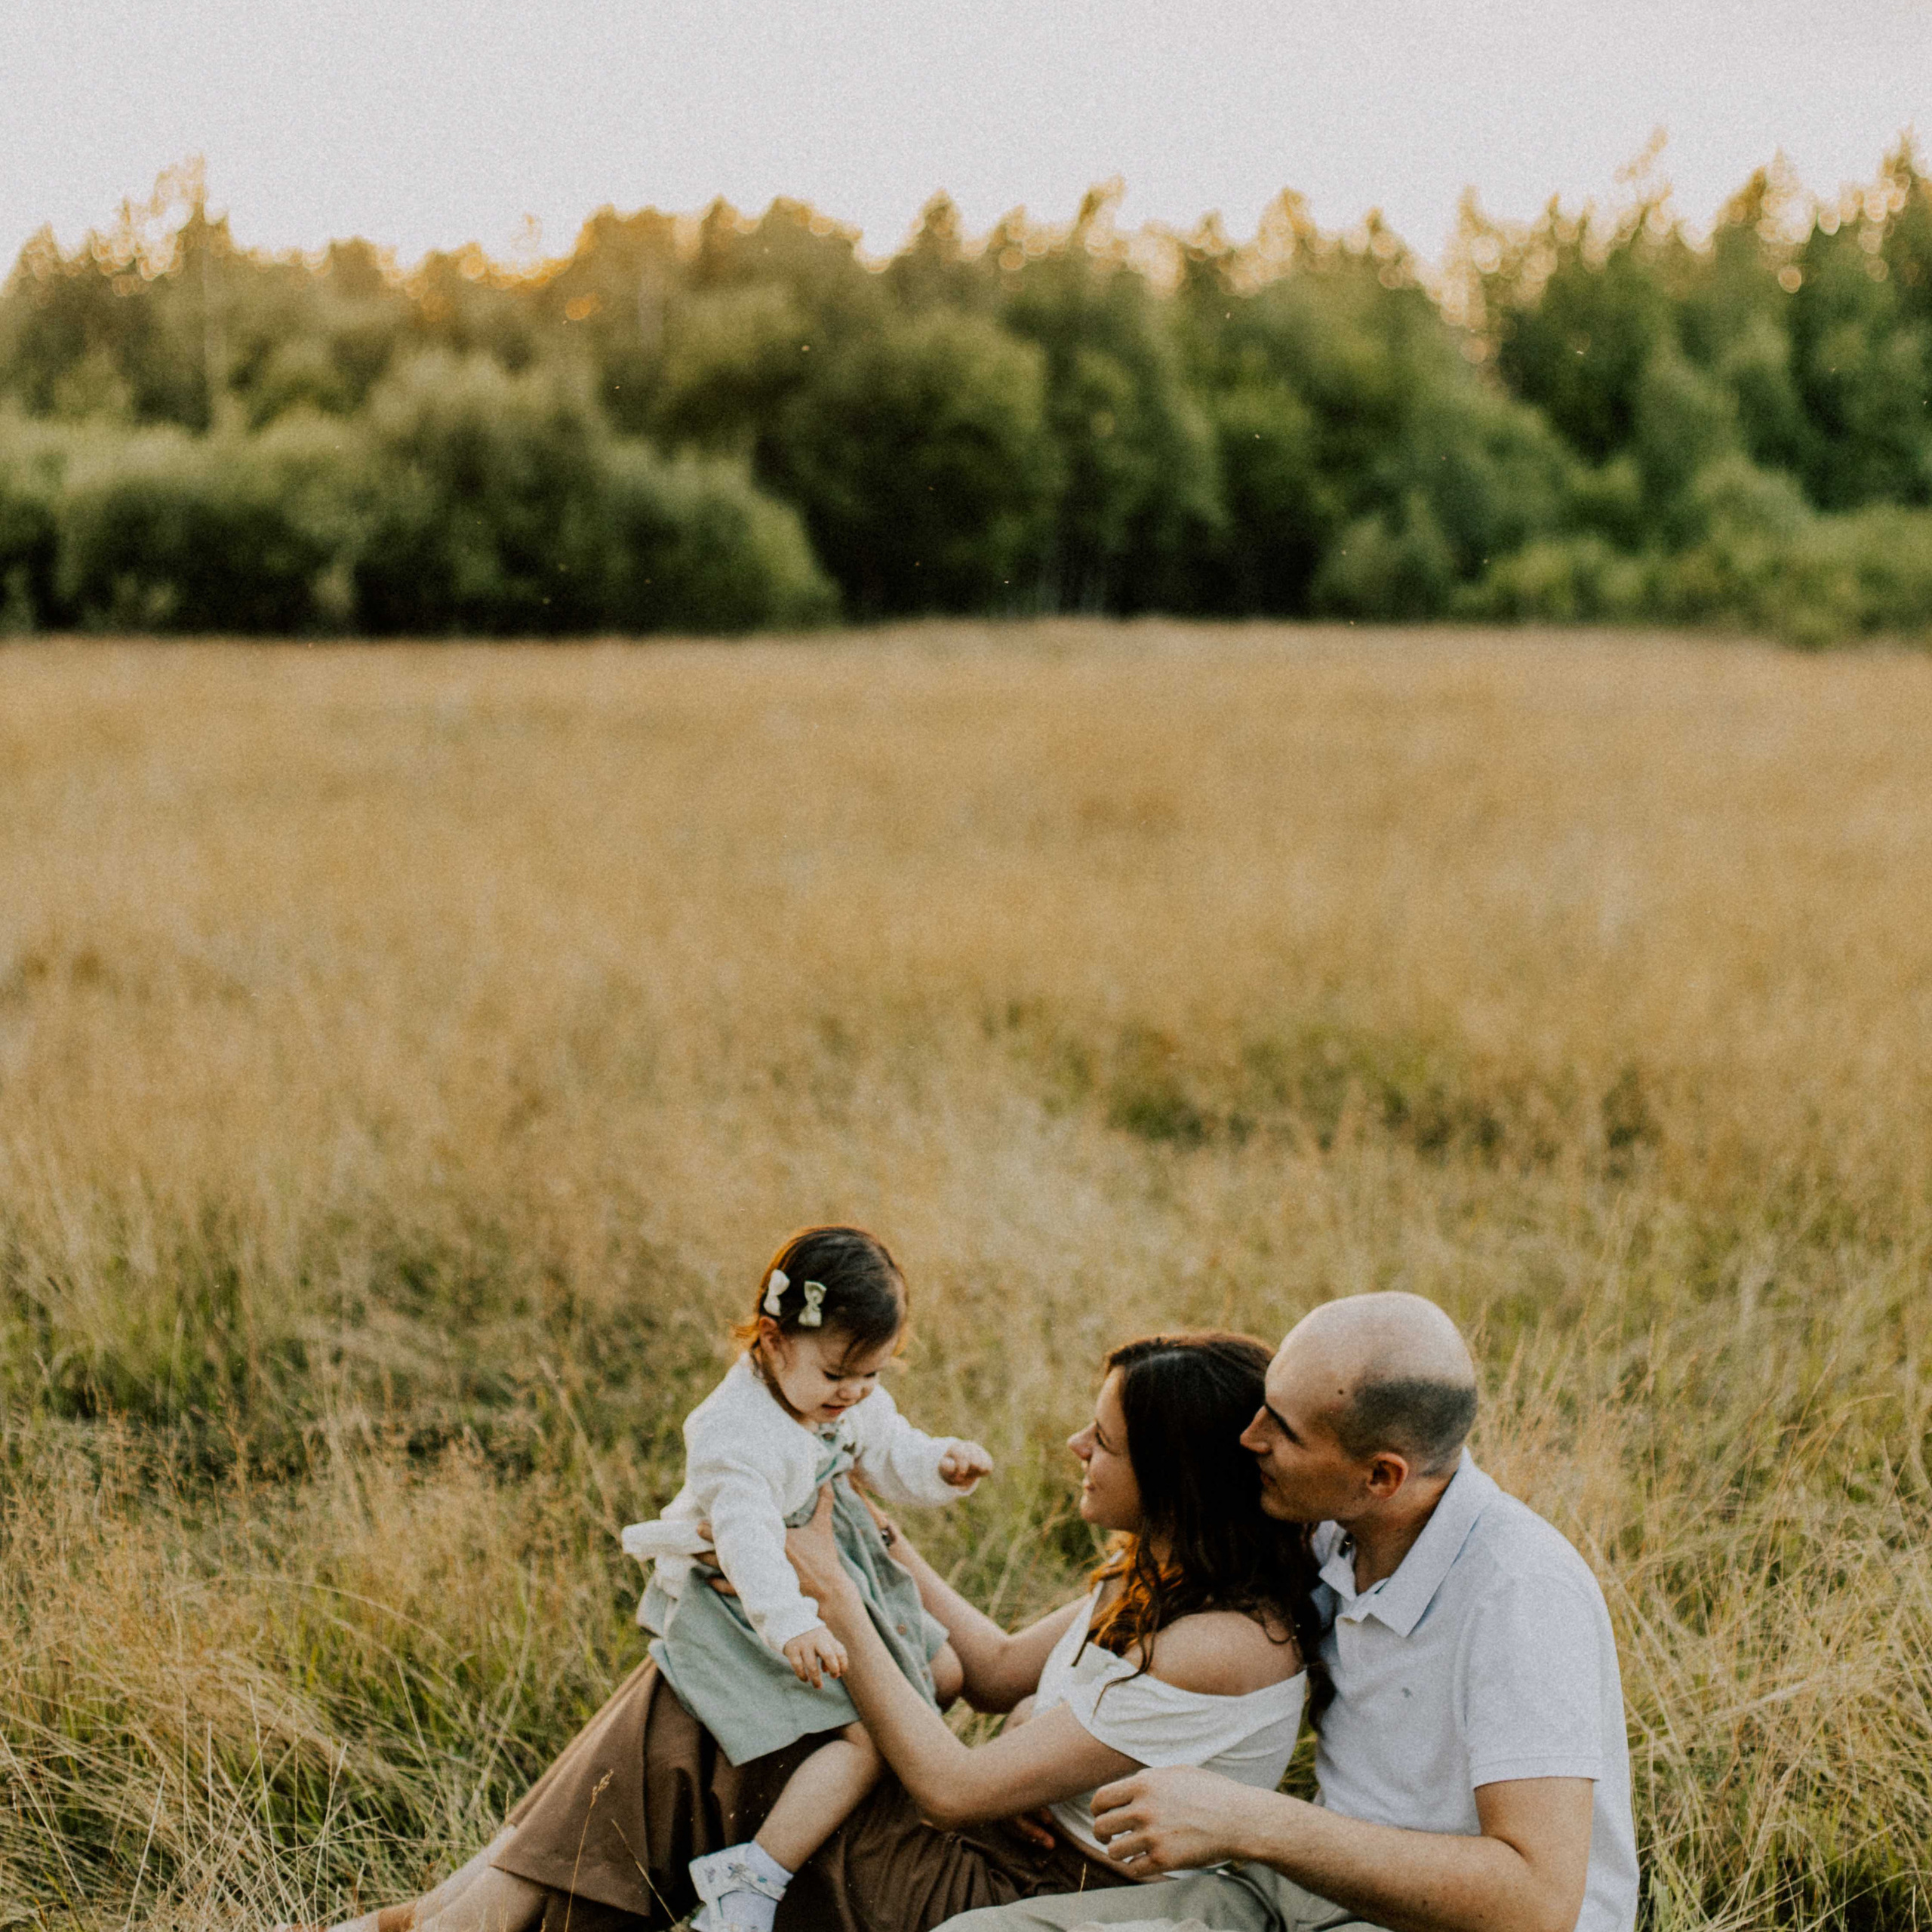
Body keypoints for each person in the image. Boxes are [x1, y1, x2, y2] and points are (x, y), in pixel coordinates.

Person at [325, 1328, 1320, 1932]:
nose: (1075, 1447)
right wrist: (874, 1534)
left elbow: (952, 1784)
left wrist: (835, 1596)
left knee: (725, 1710)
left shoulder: (1220, 1644)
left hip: (1016, 1892)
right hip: (993, 1844)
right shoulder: (1170, 1575)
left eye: (1102, 1441)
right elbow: (997, 1671)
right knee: (726, 1690)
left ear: (1176, 1477)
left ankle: (460, 1914)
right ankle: (463, 1913)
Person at [929, 1293, 1638, 1932]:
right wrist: (1040, 1735)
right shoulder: (1330, 1526)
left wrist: (1254, 1824)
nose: (1251, 1438)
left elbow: (1537, 1902)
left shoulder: (1521, 1595)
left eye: (1286, 1431)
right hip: (1289, 1894)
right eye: (1264, 1405)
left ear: (1382, 1475)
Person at [620, 1226, 989, 1932]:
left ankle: (876, 1803)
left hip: (830, 1569)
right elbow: (749, 1541)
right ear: (772, 1339)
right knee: (865, 1738)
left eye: (873, 1375)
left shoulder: (839, 1393)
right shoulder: (735, 1434)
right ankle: (750, 1881)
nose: (854, 1392)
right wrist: (793, 1622)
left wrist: (939, 1465)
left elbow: (887, 1447)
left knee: (942, 1671)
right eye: (838, 1375)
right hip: (754, 1599)